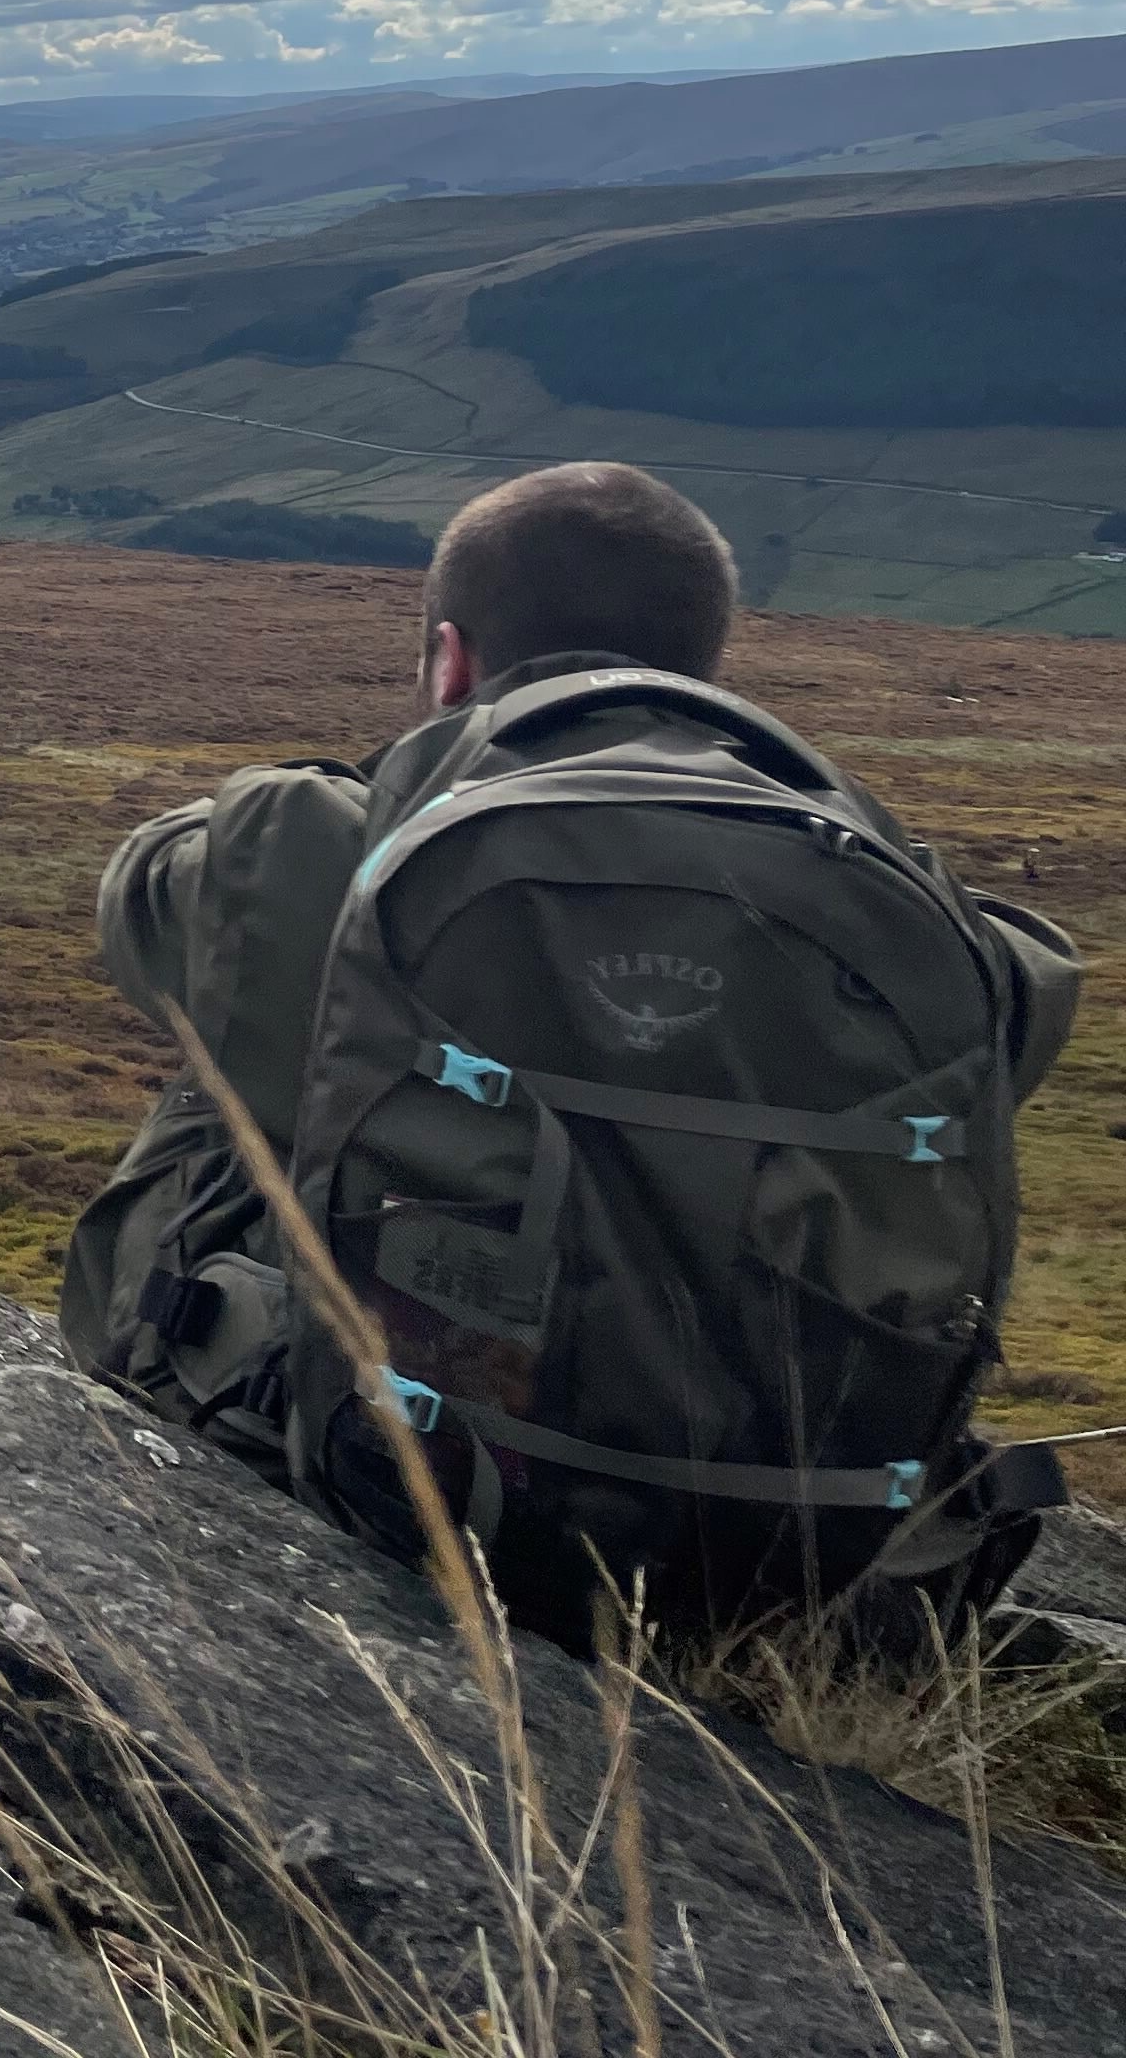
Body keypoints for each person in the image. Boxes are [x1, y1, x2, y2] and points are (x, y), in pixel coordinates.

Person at [63, 462, 1082, 1650]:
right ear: (703, 669)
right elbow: (1020, 992)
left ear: (449, 660)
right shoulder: (912, 920)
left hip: (410, 1496)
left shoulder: (332, 853)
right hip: (773, 1558)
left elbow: (147, 890)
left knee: (223, 1083)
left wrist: (415, 780)